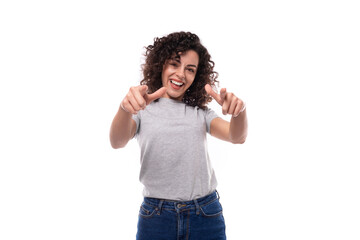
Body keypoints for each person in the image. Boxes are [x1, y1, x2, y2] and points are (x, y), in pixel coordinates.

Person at [110, 31, 248, 240]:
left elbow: (236, 136)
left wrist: (239, 112)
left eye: (190, 69)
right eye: (174, 64)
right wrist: (124, 108)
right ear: (161, 65)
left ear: (197, 76)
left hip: (205, 214)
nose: (181, 74)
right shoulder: (142, 110)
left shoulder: (200, 113)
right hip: (156, 217)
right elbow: (116, 141)